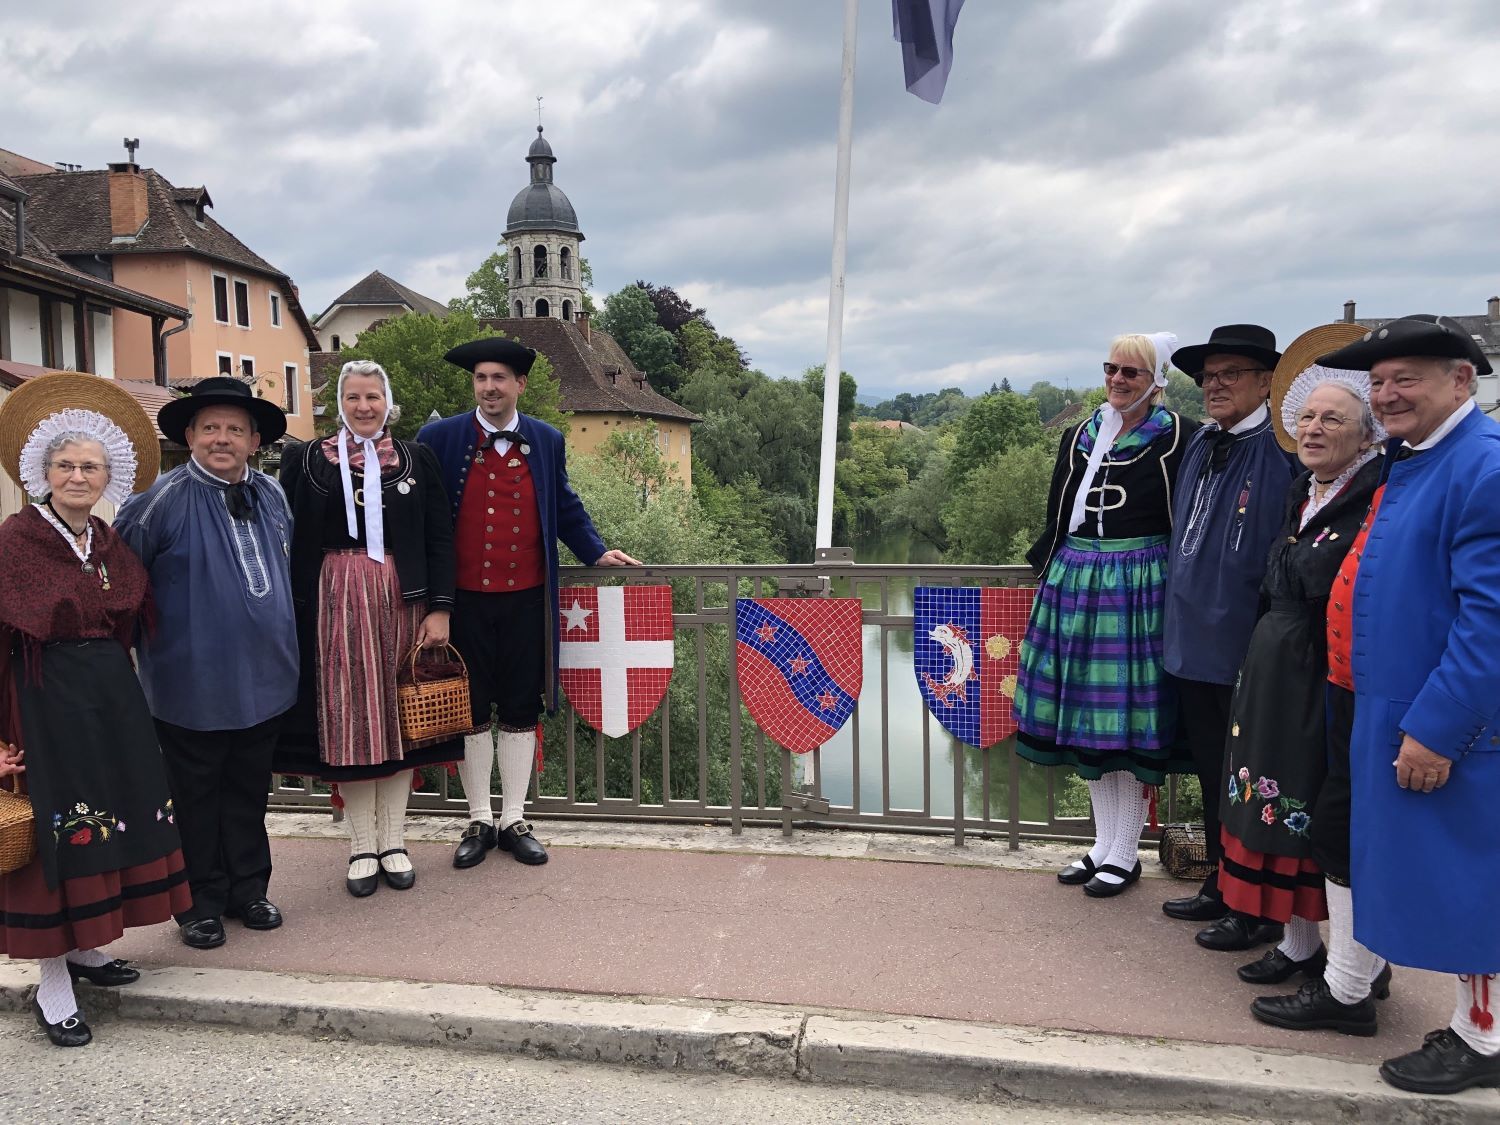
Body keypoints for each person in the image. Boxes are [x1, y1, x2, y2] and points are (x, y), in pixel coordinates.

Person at [1307, 316, 1500, 1095]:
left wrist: (1436, 727)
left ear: (1462, 380)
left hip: (1448, 725)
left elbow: (1490, 619)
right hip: (1392, 710)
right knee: (1442, 878)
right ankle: (1470, 1023)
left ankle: (1483, 1038)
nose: (1386, 394)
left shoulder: (1482, 467)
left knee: (1471, 881)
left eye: (1406, 377)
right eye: (1379, 381)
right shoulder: (1415, 460)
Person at [0, 373, 191, 1047]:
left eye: (90, 466)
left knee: (107, 818)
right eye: (65, 464)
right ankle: (52, 982)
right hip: (40, 703)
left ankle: (87, 948)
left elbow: (124, 625)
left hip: (109, 700)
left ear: (108, 475)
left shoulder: (108, 543)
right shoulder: (14, 540)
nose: (77, 475)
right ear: (41, 471)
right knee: (56, 830)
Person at [418, 337, 638, 869]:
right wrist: (429, 601)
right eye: (481, 379)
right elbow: (423, 522)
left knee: (519, 708)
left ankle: (513, 817)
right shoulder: (438, 438)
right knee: (468, 711)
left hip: (526, 602)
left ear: (519, 385)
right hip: (461, 603)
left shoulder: (547, 439)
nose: (489, 387)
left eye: (499, 378)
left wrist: (593, 549)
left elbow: (563, 504)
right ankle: (477, 818)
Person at [1209, 327, 1384, 998]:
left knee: (1309, 804)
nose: (1313, 428)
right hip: (1274, 669)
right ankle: (1296, 941)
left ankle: (1350, 967)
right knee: (1269, 793)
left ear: (1365, 435)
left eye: (1331, 419)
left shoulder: (1370, 496)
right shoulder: (1302, 493)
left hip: (1320, 674)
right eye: (1307, 416)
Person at [114, 378, 298, 951]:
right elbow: (121, 585)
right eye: (211, 427)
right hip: (188, 685)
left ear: (255, 439)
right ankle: (199, 903)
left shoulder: (273, 494)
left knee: (248, 792)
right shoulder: (157, 502)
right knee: (194, 798)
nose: (223, 438)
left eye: (235, 429)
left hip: (266, 679)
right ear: (190, 434)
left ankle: (249, 889)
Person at [1014, 333, 1199, 896]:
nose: (1118, 380)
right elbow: (1057, 511)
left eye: (1132, 373)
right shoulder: (1079, 437)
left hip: (1138, 588)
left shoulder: (1179, 440)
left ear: (1157, 383)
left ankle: (1126, 852)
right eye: (1112, 369)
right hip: (1076, 583)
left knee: (1122, 724)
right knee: (1087, 722)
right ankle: (1103, 844)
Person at [273, 361, 460, 896]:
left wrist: (440, 608)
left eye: (373, 397)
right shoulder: (306, 460)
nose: (364, 407)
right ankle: (360, 845)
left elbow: (438, 539)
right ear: (341, 402)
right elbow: (284, 535)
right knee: (349, 718)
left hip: (402, 600)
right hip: (333, 601)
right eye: (354, 397)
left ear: (388, 400)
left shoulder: (415, 459)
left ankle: (395, 840)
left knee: (399, 715)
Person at [1159, 325, 1297, 951]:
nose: (1215, 385)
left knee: (1252, 779)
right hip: (1191, 640)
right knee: (1214, 772)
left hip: (1247, 643)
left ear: (1268, 382)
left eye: (1231, 373)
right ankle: (1219, 882)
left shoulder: (1281, 450)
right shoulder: (1201, 445)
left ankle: (1258, 906)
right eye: (1208, 376)